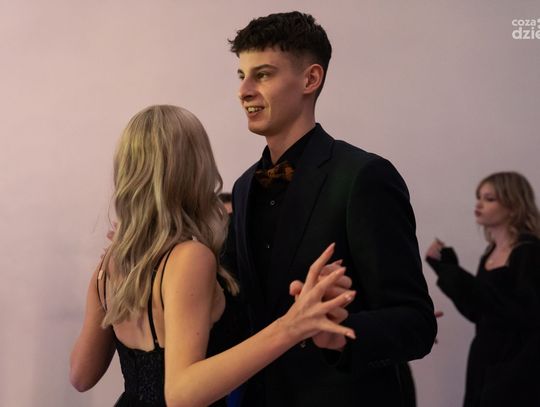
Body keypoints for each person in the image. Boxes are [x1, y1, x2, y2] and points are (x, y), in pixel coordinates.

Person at [69, 105, 357, 407]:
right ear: (194, 166)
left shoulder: (110, 266)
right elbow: (181, 394)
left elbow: (81, 375)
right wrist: (291, 326)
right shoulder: (189, 257)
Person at [223, 11, 437, 406]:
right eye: (241, 76)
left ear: (310, 79)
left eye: (263, 75)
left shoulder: (364, 177)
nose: (244, 90)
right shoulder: (242, 187)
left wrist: (340, 335)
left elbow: (416, 323)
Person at [426, 171, 540, 406]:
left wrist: (455, 275)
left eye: (489, 199)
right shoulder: (489, 253)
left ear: (513, 205)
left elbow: (525, 313)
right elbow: (478, 313)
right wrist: (445, 269)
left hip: (516, 364)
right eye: (479, 197)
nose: (479, 204)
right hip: (484, 360)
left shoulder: (529, 251)